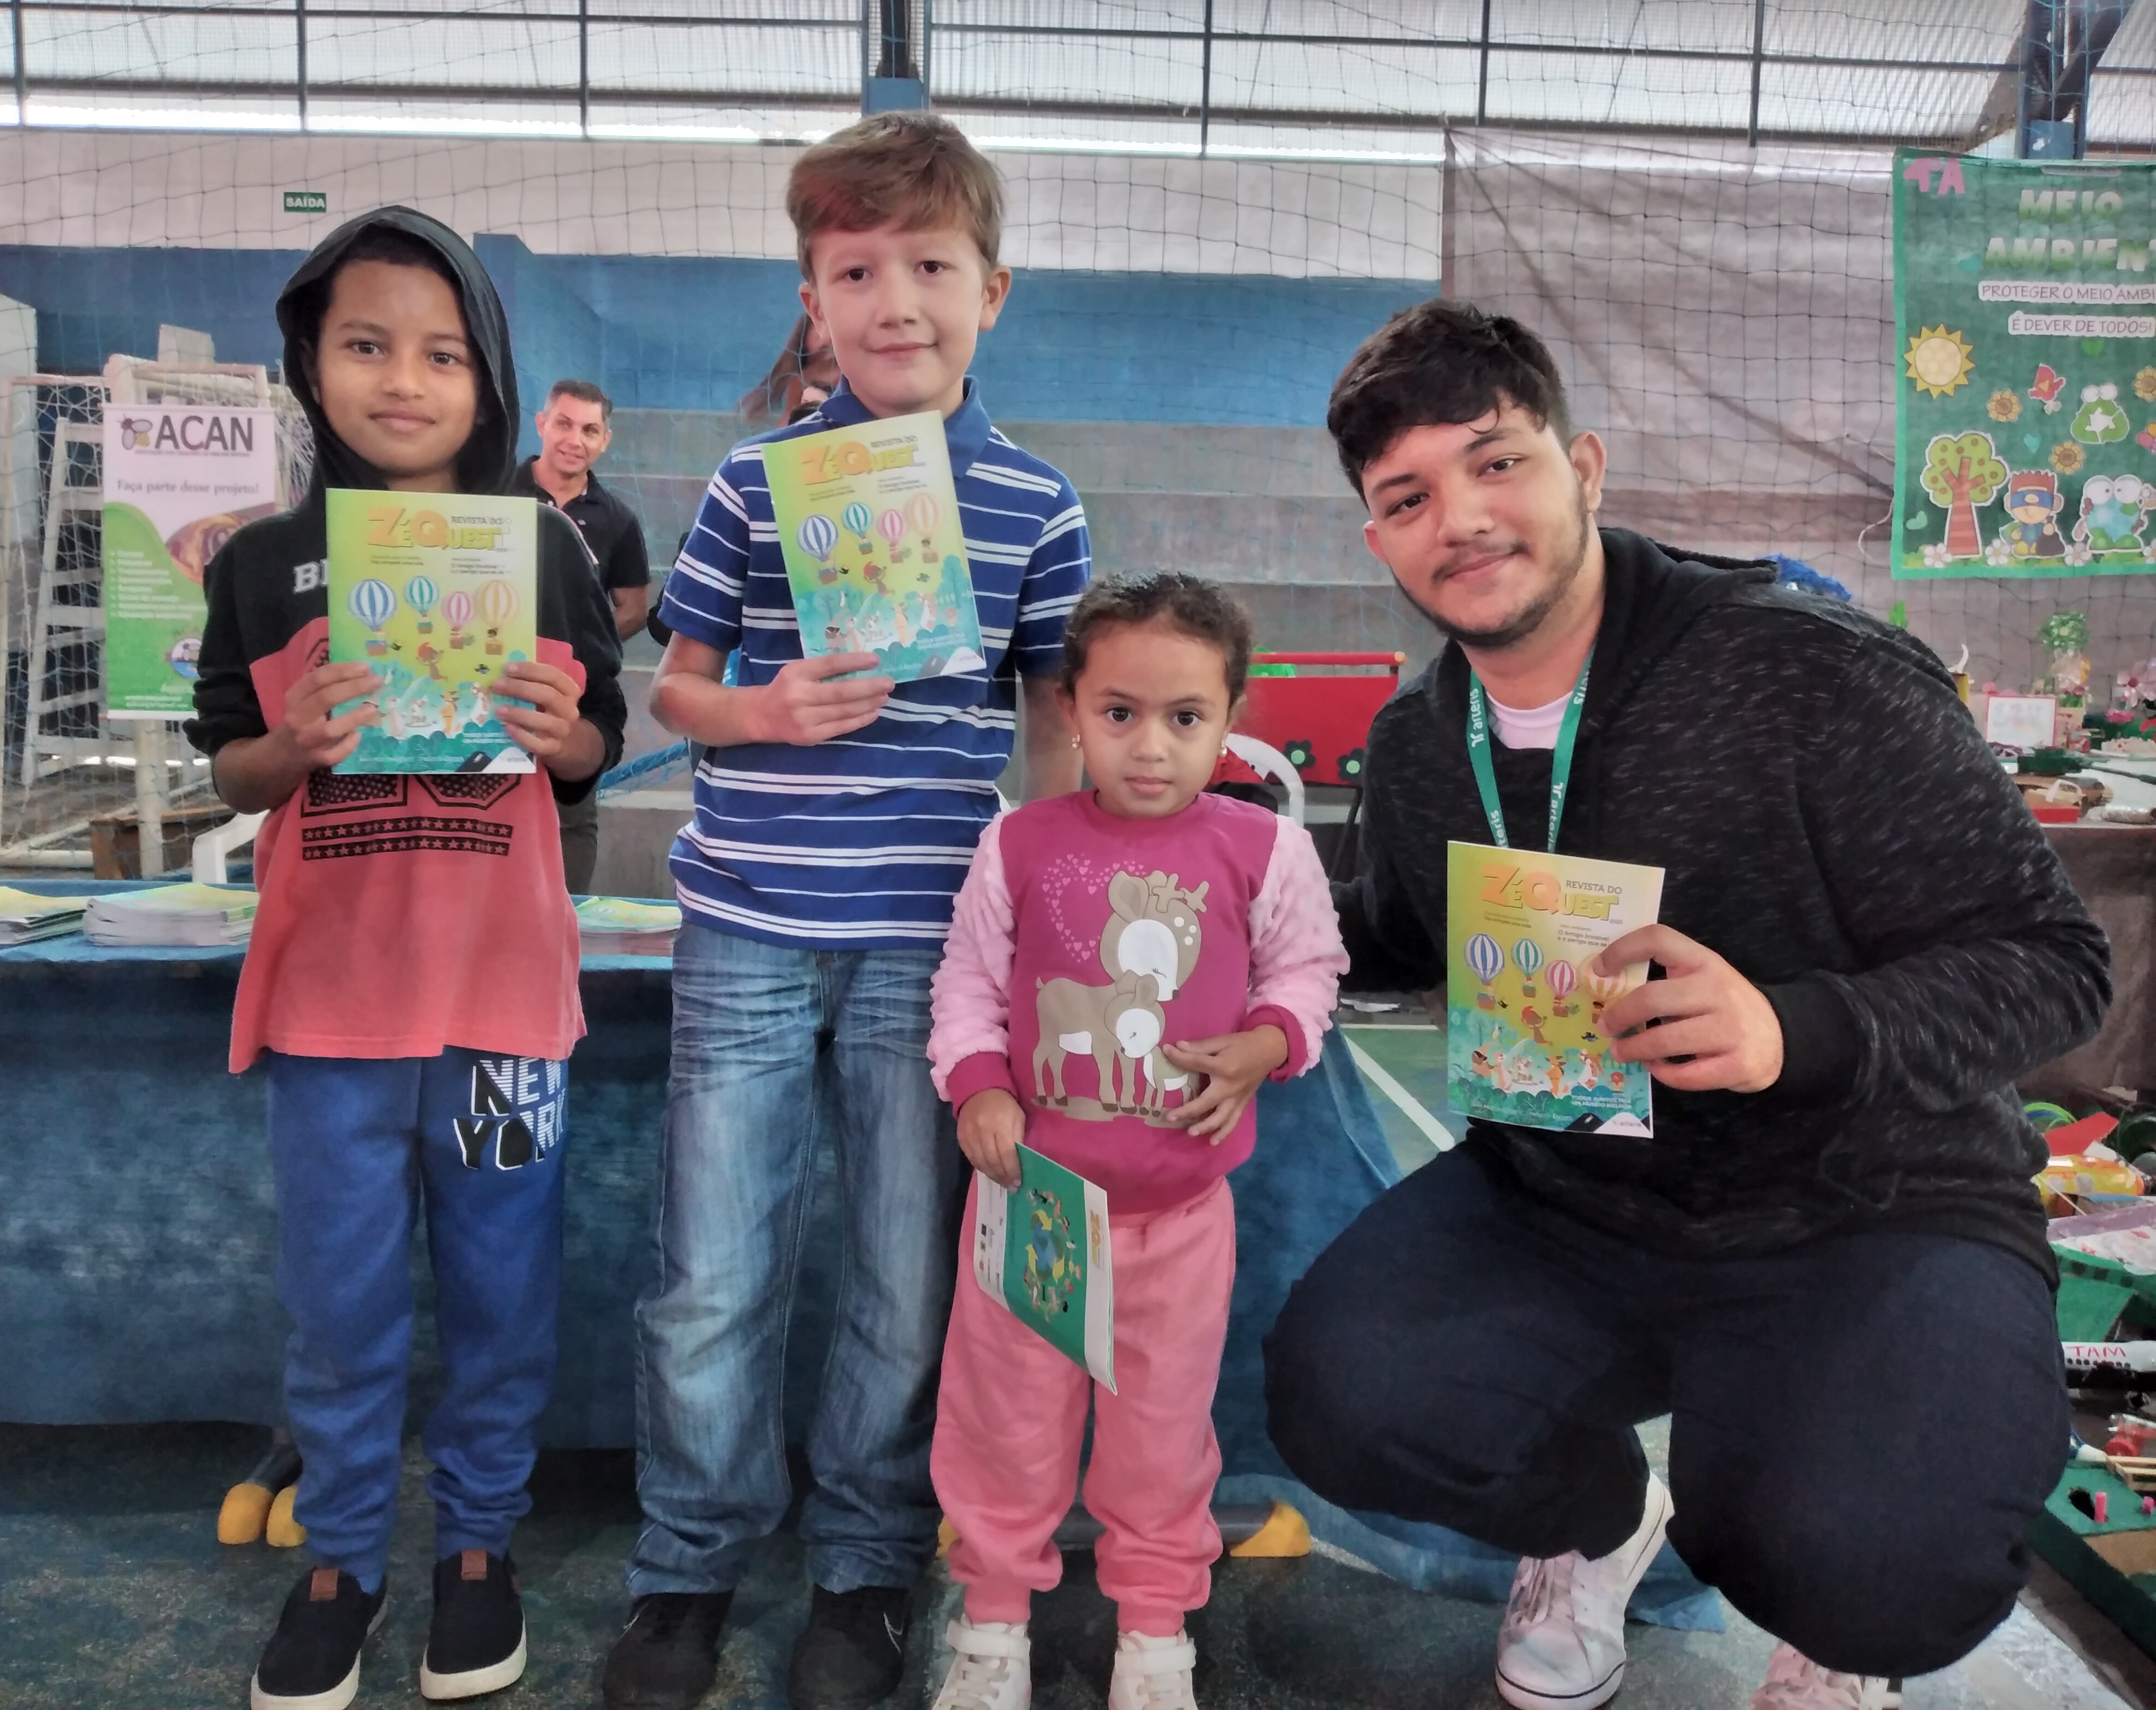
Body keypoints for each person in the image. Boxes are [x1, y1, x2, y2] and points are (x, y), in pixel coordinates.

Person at [1260, 300, 2111, 1710]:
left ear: (1582, 465)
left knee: (1864, 1553)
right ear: (1377, 536)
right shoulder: (1420, 740)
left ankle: (1826, 1611)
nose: (1459, 519)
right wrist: (1215, 915)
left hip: (1866, 1203)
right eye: (1407, 496)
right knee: (1344, 1394)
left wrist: (1798, 1027)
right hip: (1571, 1201)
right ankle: (1595, 1524)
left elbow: (2049, 956)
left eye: (1495, 463)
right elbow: (1398, 935)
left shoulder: (1807, 671)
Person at [604, 112, 1092, 1710]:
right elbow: (674, 681)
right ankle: (685, 1564)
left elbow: (1060, 729)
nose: (897, 298)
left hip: (929, 950)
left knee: (901, 1269)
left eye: (930, 264)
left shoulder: (1035, 505)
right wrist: (766, 712)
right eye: (856, 268)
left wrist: (1089, 891)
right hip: (747, 920)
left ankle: (867, 1564)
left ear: (992, 292)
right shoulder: (759, 484)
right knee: (713, 1271)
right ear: (815, 300)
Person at [188, 207, 626, 1710]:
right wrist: (283, 749)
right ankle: (346, 1560)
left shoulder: (549, 553)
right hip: (329, 1014)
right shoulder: (262, 564)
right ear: (312, 360)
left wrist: (570, 742)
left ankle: (479, 1554)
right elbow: (224, 771)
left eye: (441, 352)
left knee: (506, 1296)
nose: (401, 379)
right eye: (365, 344)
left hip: (506, 1015)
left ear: (488, 376)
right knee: (342, 1302)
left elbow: (594, 747)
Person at [924, 574, 1344, 1710]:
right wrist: (976, 1090)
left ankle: (1155, 1634)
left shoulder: (1263, 852)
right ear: (1071, 709)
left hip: (1178, 1223)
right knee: (1004, 1427)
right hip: (1033, 1207)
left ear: (1228, 717)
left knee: (1159, 1437)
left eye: (1184, 718)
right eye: (1120, 714)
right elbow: (966, 987)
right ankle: (994, 1622)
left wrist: (1269, 1043)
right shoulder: (1018, 844)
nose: (1149, 747)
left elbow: (1306, 974)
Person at [511, 378, 651, 892]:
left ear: (605, 440)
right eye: (565, 424)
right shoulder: (492, 494)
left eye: (590, 429)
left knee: (572, 814)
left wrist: (576, 653)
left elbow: (633, 607)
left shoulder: (618, 520)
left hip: (570, 702)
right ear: (542, 424)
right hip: (489, 687)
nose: (576, 439)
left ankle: (567, 923)